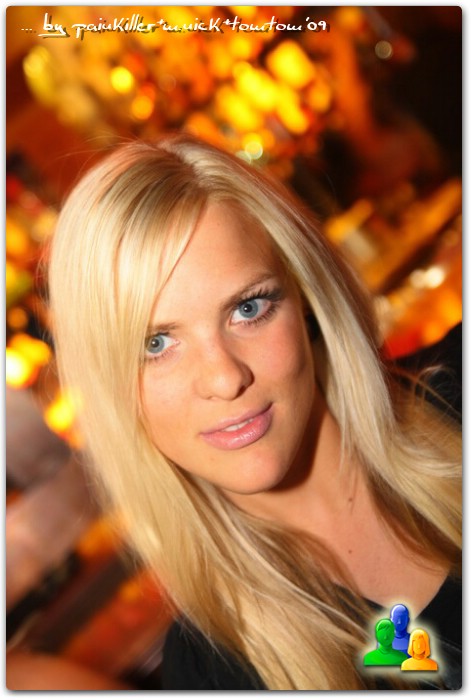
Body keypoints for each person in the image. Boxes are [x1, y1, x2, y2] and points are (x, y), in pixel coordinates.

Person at [47, 133, 461, 690]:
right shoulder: (213, 674)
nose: (224, 378)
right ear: (110, 389)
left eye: (248, 308)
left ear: (306, 296)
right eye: (155, 344)